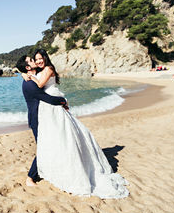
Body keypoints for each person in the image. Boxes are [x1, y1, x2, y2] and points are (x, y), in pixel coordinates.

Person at [25, 49, 129, 198]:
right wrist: (25, 74)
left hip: (53, 103)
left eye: (41, 58)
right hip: (46, 108)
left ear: (45, 58)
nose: (39, 61)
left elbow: (40, 85)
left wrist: (30, 76)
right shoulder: (40, 70)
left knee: (63, 134)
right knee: (53, 136)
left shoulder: (48, 68)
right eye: (37, 59)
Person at [15, 55, 67, 186]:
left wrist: (23, 73)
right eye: (32, 60)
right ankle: (30, 177)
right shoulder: (29, 84)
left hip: (44, 116)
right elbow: (46, 98)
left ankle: (46, 169)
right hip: (37, 119)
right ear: (28, 67)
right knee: (43, 147)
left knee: (49, 144)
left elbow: (41, 75)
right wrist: (62, 100)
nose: (35, 61)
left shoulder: (34, 75)